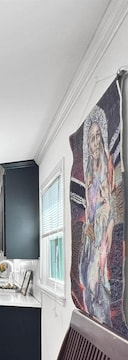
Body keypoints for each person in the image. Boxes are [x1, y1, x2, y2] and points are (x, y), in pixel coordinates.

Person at [79, 106, 119, 325]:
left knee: (96, 280)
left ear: (102, 140)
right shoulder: (89, 173)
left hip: (102, 233)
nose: (94, 142)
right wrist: (87, 225)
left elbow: (111, 206)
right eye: (91, 138)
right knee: (85, 277)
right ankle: (93, 320)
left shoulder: (107, 168)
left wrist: (104, 226)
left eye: (97, 137)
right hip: (91, 235)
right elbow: (88, 209)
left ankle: (102, 322)